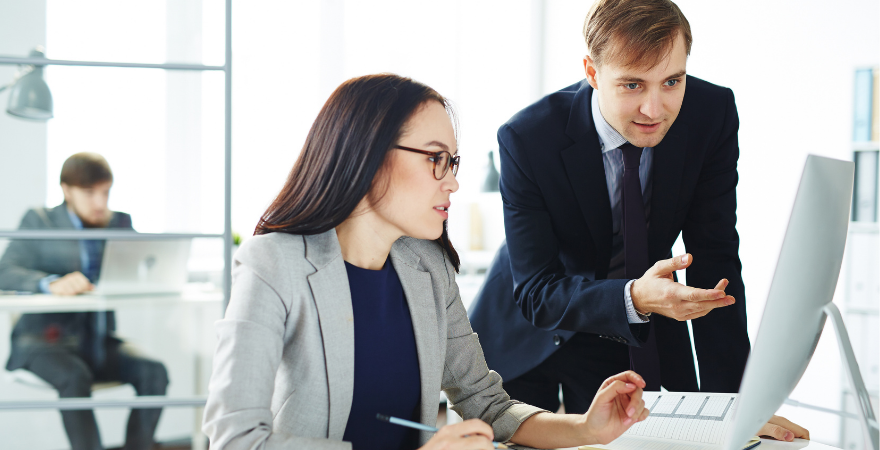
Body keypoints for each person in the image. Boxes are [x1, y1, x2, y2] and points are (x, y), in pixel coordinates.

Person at [202, 74, 652, 450]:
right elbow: (235, 438)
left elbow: (488, 405)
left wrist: (586, 427)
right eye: (436, 159)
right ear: (370, 156)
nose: (453, 183)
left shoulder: (428, 267)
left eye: (453, 162)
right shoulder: (274, 264)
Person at [467, 0, 809, 442]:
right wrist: (635, 298)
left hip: (629, 327)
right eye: (632, 85)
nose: (654, 108)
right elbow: (536, 290)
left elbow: (716, 261)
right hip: (531, 328)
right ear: (592, 73)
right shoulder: (529, 138)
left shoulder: (710, 114)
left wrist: (739, 408)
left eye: (672, 81)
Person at [0, 152, 169, 450]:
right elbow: (5, 271)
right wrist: (50, 283)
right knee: (75, 376)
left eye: (105, 193)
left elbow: (146, 265)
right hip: (42, 342)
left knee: (154, 372)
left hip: (96, 341)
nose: (100, 203)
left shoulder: (119, 224)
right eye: (89, 194)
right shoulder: (40, 221)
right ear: (66, 190)